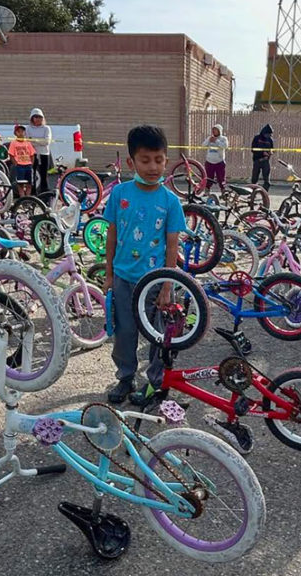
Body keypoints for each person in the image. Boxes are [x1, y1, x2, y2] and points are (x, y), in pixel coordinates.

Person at [101, 125, 186, 406]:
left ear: (166, 160)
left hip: (155, 282)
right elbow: (111, 235)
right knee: (125, 333)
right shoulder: (119, 194)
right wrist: (109, 274)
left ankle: (156, 385)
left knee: (158, 335)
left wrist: (167, 286)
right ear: (131, 162)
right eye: (145, 160)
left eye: (159, 160)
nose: (153, 167)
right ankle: (125, 378)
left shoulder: (170, 201)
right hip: (124, 278)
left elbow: (172, 245)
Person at [26, 107, 53, 195]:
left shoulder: (46, 128)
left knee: (44, 175)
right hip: (32, 154)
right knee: (32, 175)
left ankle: (44, 194)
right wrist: (39, 140)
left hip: (44, 154)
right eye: (35, 117)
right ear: (32, 118)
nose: (38, 119)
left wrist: (34, 140)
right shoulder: (28, 128)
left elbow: (47, 142)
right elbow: (28, 141)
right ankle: (33, 195)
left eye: (39, 117)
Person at [7, 124, 36, 198]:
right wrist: (16, 163)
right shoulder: (13, 143)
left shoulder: (28, 142)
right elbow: (11, 154)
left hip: (28, 164)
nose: (21, 133)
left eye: (22, 131)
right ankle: (22, 197)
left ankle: (28, 197)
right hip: (19, 165)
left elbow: (32, 154)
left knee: (29, 183)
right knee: (20, 183)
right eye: (18, 131)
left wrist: (31, 163)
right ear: (15, 133)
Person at [203, 124, 228, 194]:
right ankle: (207, 190)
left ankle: (223, 191)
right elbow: (203, 145)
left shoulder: (223, 138)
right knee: (209, 177)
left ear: (219, 131)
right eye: (213, 130)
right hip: (209, 161)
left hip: (219, 162)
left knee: (221, 178)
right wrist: (209, 141)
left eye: (215, 130)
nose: (214, 131)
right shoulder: (210, 138)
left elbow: (225, 146)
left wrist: (216, 141)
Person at [250, 124, 274, 190]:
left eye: (269, 134)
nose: (268, 135)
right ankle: (253, 194)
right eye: (267, 134)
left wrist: (270, 153)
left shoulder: (270, 140)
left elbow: (272, 149)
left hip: (266, 161)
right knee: (254, 179)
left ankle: (264, 194)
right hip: (257, 160)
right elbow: (253, 149)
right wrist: (262, 153)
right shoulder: (257, 138)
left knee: (267, 180)